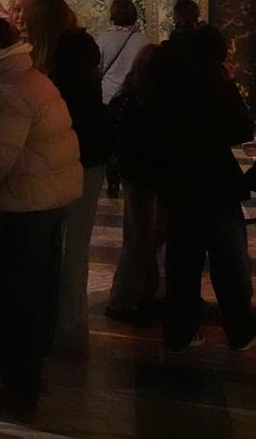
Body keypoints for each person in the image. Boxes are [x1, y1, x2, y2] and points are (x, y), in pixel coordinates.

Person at [0, 17, 82, 418]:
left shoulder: (8, 88)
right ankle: (29, 370)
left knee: (14, 297)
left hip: (26, 203)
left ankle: (19, 386)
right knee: (36, 290)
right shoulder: (29, 76)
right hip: (47, 198)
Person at [152, 25, 256, 353]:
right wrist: (228, 85)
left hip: (178, 180)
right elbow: (241, 129)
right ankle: (241, 330)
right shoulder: (213, 79)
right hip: (215, 182)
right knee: (230, 262)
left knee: (182, 263)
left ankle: (181, 332)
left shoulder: (166, 76)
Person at [25, 0, 110, 355]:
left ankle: (69, 331)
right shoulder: (73, 54)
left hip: (80, 160)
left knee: (71, 248)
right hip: (79, 158)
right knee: (67, 246)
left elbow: (66, 117)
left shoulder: (67, 61)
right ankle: (63, 326)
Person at [104, 44, 165, 326]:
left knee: (144, 236)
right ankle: (124, 299)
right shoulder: (148, 102)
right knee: (140, 238)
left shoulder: (127, 97)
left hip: (136, 173)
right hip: (145, 174)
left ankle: (143, 292)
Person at [97, 0, 149, 197]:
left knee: (110, 141)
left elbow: (97, 68)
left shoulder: (103, 39)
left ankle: (112, 181)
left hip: (108, 98)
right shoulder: (142, 41)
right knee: (129, 140)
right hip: (132, 99)